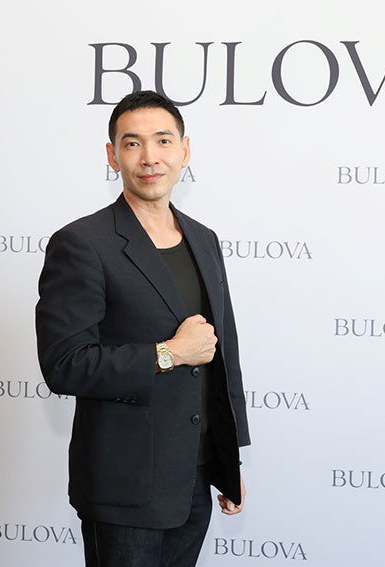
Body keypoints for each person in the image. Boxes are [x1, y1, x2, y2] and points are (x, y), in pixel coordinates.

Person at [35, 90, 250, 567]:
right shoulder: (82, 243)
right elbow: (64, 365)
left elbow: (223, 354)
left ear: (184, 151)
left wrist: (228, 461)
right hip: (123, 486)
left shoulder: (204, 239)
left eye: (163, 141)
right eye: (132, 143)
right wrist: (168, 353)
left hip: (194, 477)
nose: (150, 157)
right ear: (112, 156)